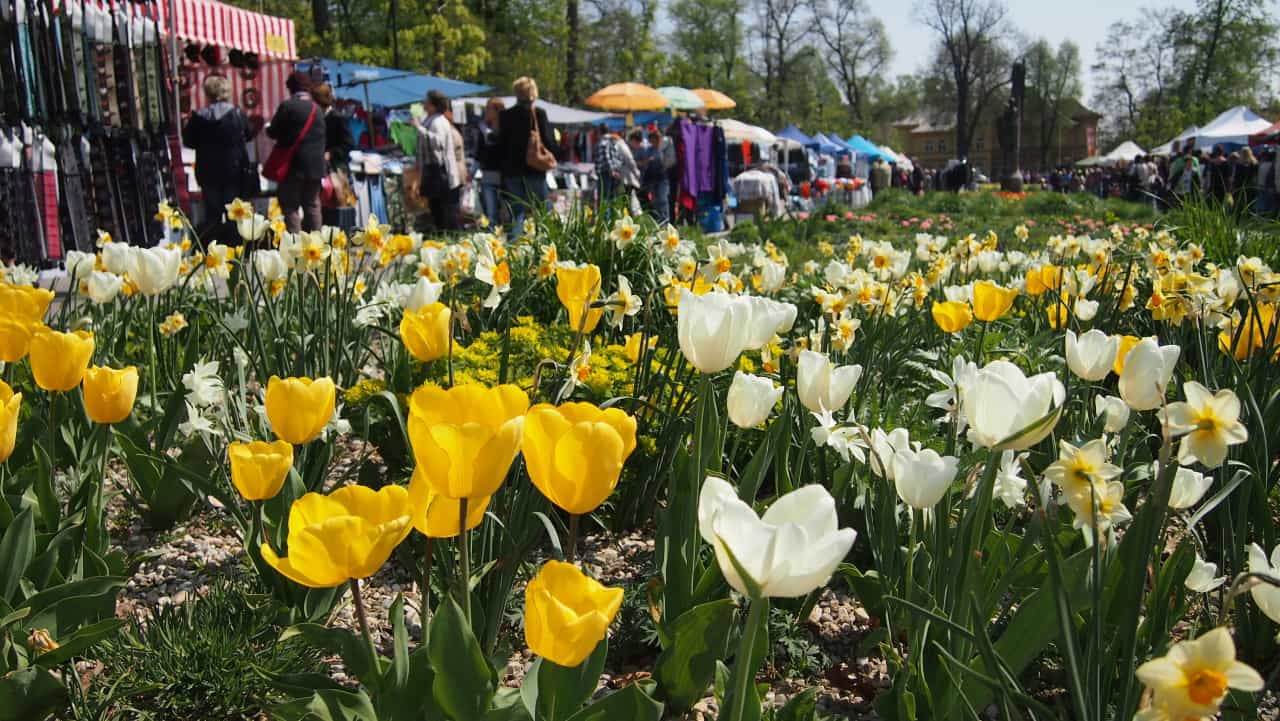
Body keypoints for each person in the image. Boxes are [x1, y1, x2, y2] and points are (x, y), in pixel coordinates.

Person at [182, 75, 252, 242]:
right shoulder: (237, 114)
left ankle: (213, 247)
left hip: (208, 171)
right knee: (234, 213)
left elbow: (188, 141)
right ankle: (234, 249)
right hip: (233, 171)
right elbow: (248, 135)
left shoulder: (199, 117)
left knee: (212, 214)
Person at [498, 77, 559, 237]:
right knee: (542, 211)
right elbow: (548, 142)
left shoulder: (505, 116)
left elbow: (501, 146)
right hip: (535, 170)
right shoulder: (538, 114)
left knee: (516, 211)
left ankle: (514, 247)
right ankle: (546, 243)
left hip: (512, 171)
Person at [267, 72, 327, 232]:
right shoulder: (318, 110)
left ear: (290, 87)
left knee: (290, 206)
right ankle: (316, 243)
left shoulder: (288, 106)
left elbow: (273, 131)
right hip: (316, 166)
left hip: (293, 165)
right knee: (312, 205)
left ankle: (295, 243)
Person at [414, 90, 463, 231]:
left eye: (426, 101)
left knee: (445, 212)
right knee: (437, 210)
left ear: (433, 104)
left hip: (441, 173)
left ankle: (450, 238)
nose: (424, 104)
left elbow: (438, 142)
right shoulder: (430, 119)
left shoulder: (438, 121)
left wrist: (419, 129)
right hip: (433, 172)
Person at [476, 97, 505, 225]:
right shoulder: (483, 129)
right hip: (488, 175)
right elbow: (479, 153)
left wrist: (487, 133)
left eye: (489, 109)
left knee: (506, 211)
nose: (486, 111)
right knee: (491, 212)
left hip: (505, 176)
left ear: (497, 110)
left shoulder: (506, 129)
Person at [313, 83, 354, 167]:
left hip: (336, 166)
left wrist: (331, 153)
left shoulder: (338, 118)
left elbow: (349, 144)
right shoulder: (315, 118)